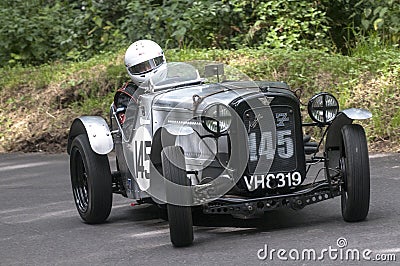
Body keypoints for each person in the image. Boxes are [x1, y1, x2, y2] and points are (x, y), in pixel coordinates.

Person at [113, 40, 166, 124]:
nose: (147, 70)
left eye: (151, 65)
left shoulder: (174, 82)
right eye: (141, 68)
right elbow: (129, 130)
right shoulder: (127, 95)